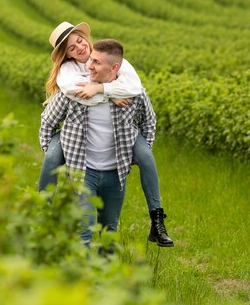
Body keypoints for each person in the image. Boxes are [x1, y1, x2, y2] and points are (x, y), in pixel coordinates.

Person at [39, 22, 173, 247]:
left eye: (80, 41)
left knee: (146, 157)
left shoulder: (111, 61)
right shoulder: (68, 75)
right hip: (78, 151)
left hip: (116, 156)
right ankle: (44, 214)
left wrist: (104, 89)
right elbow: (69, 100)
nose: (80, 48)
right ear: (67, 56)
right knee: (52, 157)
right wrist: (108, 93)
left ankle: (157, 219)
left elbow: (137, 94)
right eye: (72, 48)